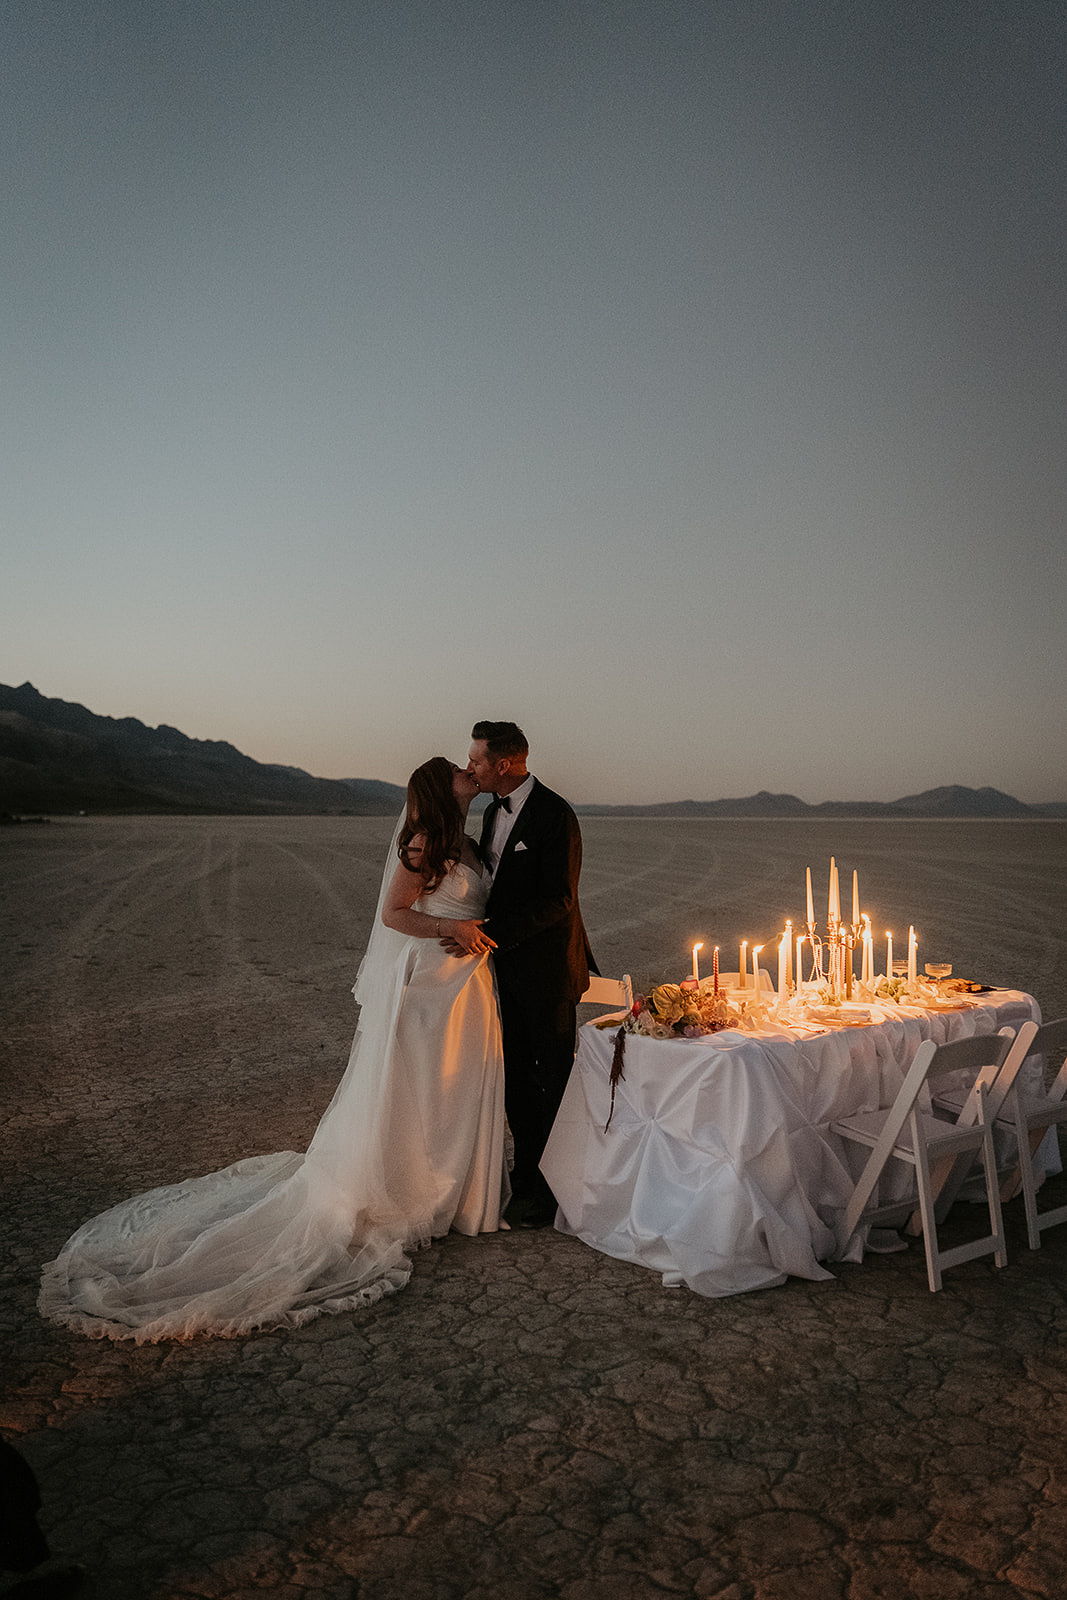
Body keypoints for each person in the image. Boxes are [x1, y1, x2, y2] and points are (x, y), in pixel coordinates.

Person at [38, 758, 508, 1343]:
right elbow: (393, 914)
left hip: (465, 988)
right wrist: (450, 930)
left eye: (473, 765)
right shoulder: (422, 841)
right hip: (426, 986)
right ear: (441, 789)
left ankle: (452, 1189)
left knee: (453, 1090)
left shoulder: (472, 840)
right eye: (458, 769)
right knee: (416, 1090)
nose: (469, 770)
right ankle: (415, 1190)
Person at [460, 721, 596, 1229]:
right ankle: (527, 1177)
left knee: (553, 1081)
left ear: (505, 764)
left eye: (477, 760)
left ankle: (557, 1190)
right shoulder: (494, 810)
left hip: (547, 972)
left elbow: (559, 898)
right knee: (516, 1077)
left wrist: (489, 932)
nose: (470, 766)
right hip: (503, 972)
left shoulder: (554, 814)